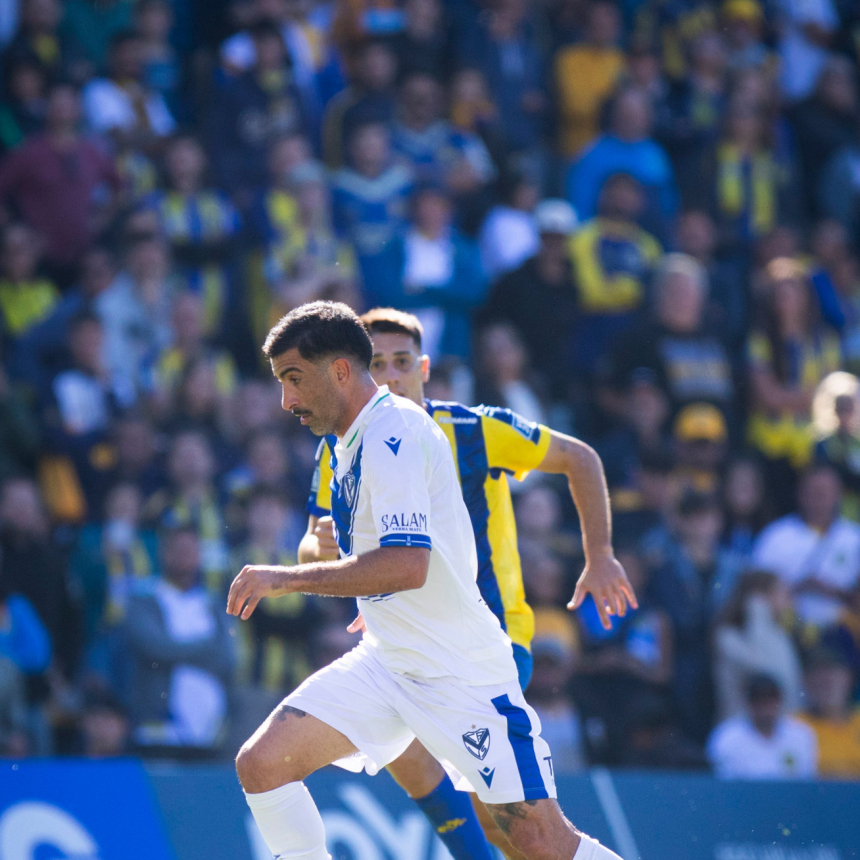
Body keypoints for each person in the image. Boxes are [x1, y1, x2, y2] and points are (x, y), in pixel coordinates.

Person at [228, 301, 633, 860]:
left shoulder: (393, 432)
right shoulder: (344, 443)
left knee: (535, 840)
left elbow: (407, 565)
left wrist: (287, 579)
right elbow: (358, 552)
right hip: (388, 659)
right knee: (263, 764)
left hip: (459, 670)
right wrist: (343, 579)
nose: (286, 400)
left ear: (340, 371)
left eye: (293, 379)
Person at [125, 526, 235, 755]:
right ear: (165, 553)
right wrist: (207, 647)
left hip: (209, 731)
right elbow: (156, 648)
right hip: (159, 729)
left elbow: (229, 657)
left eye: (191, 551)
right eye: (179, 550)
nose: (186, 557)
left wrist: (177, 650)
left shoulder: (213, 603)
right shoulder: (143, 597)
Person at [751, 463, 860, 630]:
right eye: (813, 492)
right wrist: (798, 587)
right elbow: (754, 594)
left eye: (824, 492)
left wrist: (833, 592)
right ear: (800, 493)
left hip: (844, 634)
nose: (819, 499)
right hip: (784, 631)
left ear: (839, 494)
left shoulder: (854, 538)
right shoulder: (775, 536)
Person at [713, 570, 803, 720]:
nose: (791, 601)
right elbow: (767, 669)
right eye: (783, 593)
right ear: (760, 596)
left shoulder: (778, 633)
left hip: (781, 725)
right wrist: (757, 609)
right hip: (742, 727)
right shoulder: (728, 637)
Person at [707, 673, 818, 779]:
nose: (765, 706)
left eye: (771, 700)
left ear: (780, 701)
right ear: (748, 702)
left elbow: (805, 782)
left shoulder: (801, 735)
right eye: (759, 700)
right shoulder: (727, 738)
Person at [797, 647, 860, 777]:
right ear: (806, 682)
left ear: (848, 679)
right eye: (819, 675)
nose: (826, 680)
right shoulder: (794, 725)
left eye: (833, 673)